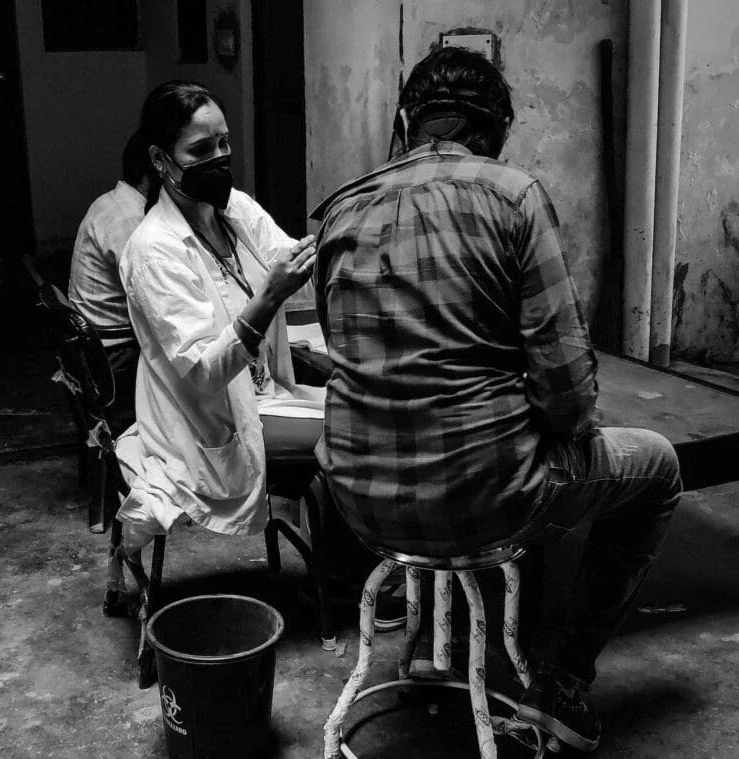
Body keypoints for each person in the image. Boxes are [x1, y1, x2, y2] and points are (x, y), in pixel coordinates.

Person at [312, 47, 681, 753]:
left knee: (462, 444)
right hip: (487, 499)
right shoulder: (512, 194)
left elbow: (350, 358)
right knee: (656, 467)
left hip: (357, 502)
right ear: (500, 127)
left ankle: (427, 642)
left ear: (405, 120)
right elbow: (570, 396)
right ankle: (561, 685)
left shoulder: (338, 210)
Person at [111, 80, 325, 558]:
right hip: (211, 419)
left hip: (263, 391)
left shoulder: (233, 208)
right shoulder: (154, 251)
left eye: (224, 143)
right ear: (161, 160)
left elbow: (295, 267)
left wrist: (342, 242)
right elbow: (204, 372)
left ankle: (339, 569)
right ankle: (343, 581)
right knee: (354, 427)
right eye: (200, 148)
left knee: (364, 402)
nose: (219, 157)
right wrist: (269, 295)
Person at [68, 131, 151, 433]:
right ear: (154, 168)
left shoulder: (112, 202)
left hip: (96, 347)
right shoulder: (131, 220)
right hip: (113, 359)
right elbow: (152, 299)